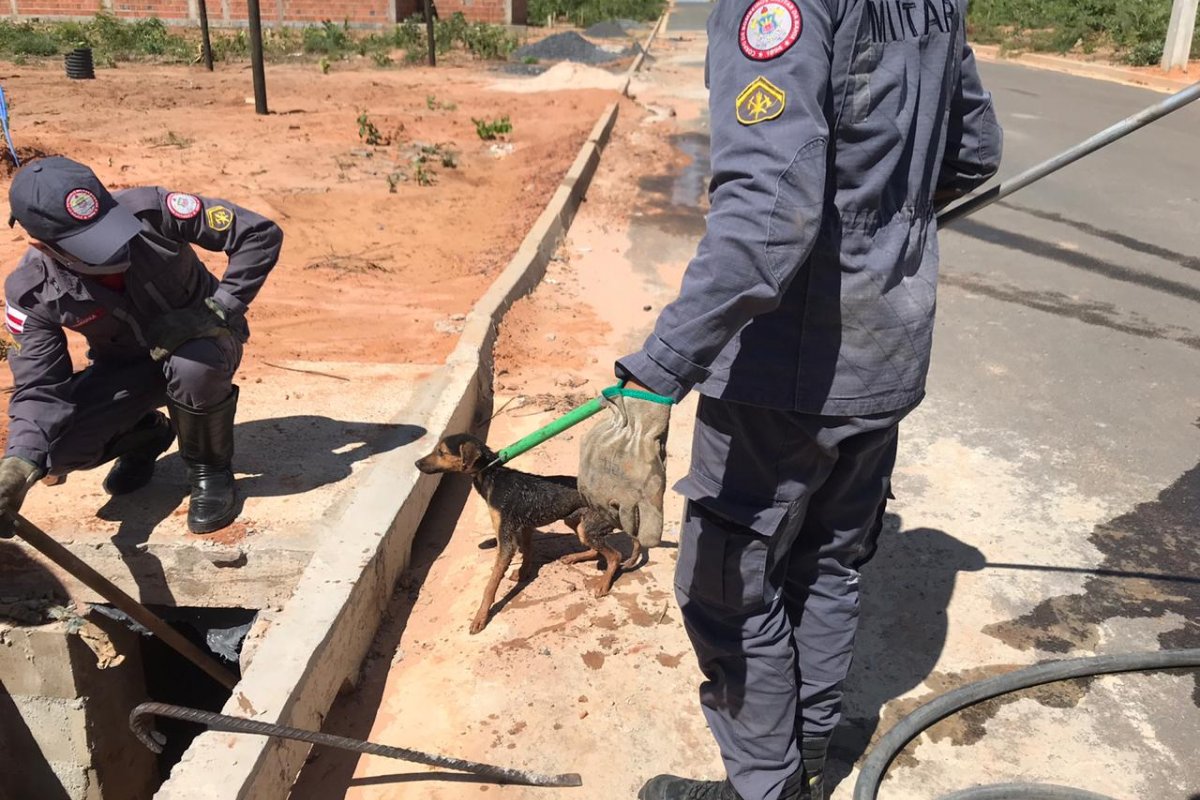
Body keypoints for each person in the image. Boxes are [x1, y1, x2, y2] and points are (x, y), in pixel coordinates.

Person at [578, 1, 1002, 799]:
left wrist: (657, 369)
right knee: (828, 558)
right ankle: (805, 755)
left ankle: (763, 790)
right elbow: (975, 151)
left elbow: (771, 215)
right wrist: (882, 235)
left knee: (728, 581)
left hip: (789, 366)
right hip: (890, 348)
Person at [0, 157, 283, 535]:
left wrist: (217, 310)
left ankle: (210, 470)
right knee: (54, 450)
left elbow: (258, 234)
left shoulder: (152, 211)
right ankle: (148, 433)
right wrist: (18, 466)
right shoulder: (31, 292)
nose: (113, 252)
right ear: (44, 246)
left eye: (106, 230)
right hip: (127, 368)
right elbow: (39, 389)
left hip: (204, 342)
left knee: (193, 366)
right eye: (89, 247)